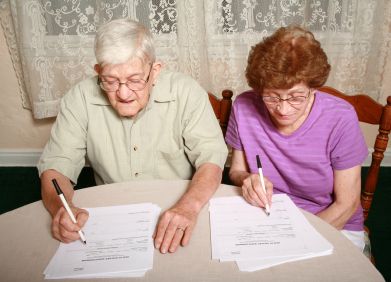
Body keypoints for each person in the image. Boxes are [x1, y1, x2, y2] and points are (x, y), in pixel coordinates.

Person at [37, 18, 228, 254]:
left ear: (154, 71)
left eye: (135, 80)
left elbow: (212, 158)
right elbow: (57, 167)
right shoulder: (79, 99)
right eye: (110, 81)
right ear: (98, 72)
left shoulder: (187, 92)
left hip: (181, 204)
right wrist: (60, 209)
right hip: (114, 212)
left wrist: (189, 206)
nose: (124, 93)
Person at [225, 24, 369, 251]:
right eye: (271, 97)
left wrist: (296, 236)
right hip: (267, 214)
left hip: (330, 221)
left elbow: (347, 204)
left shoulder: (340, 117)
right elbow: (235, 171)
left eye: (295, 97)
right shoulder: (244, 106)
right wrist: (247, 179)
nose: (283, 109)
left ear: (313, 88)